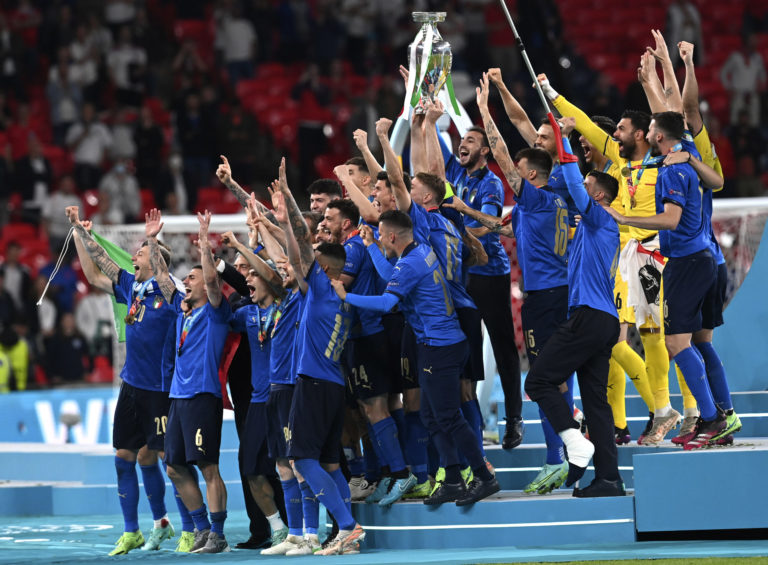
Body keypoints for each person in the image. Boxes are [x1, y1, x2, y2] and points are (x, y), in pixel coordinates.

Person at [542, 73, 682, 446]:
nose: (614, 136)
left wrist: (659, 77)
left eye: (621, 130)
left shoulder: (659, 164)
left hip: (650, 255)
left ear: (642, 135)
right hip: (620, 260)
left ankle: (667, 409)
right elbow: (585, 124)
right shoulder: (612, 169)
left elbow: (671, 122)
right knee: (614, 345)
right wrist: (553, 94)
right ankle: (623, 422)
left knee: (651, 336)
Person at [331, 209, 500, 507]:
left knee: (448, 417)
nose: (378, 238)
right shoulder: (418, 252)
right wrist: (371, 247)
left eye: (380, 236)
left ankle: (484, 477)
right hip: (438, 343)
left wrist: (347, 297)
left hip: (440, 347)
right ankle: (452, 480)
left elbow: (386, 302)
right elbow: (390, 277)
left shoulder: (410, 262)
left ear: (391, 236)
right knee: (432, 416)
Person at [606, 111, 740, 450]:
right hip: (702, 259)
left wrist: (624, 217)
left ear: (658, 136)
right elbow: (716, 181)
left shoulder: (670, 170)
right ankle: (718, 415)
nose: (647, 130)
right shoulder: (686, 156)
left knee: (677, 343)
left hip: (687, 262)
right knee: (695, 343)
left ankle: (711, 417)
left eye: (651, 127)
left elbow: (670, 219)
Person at [66, 206, 181, 554]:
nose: (134, 257)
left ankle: (193, 528)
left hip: (159, 389)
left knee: (169, 463)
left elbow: (162, 274)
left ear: (156, 260)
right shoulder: (133, 287)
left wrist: (152, 239)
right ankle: (136, 530)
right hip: (131, 385)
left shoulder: (169, 291)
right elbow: (98, 271)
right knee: (126, 456)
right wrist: (79, 233)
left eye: (140, 254)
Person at [524, 118, 624, 498]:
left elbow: (571, 179)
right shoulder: (591, 225)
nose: (579, 187)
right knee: (596, 404)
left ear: (598, 196)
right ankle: (609, 479)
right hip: (601, 320)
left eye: (586, 186)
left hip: (590, 317)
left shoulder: (601, 218)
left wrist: (563, 137)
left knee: (537, 381)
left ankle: (573, 441)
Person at [272, 188, 366, 556]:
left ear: (323, 269)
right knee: (331, 463)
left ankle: (348, 527)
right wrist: (283, 225)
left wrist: (287, 215)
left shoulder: (322, 289)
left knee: (302, 460)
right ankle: (347, 537)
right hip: (333, 385)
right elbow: (297, 257)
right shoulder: (343, 297)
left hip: (312, 384)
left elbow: (300, 251)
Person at [438, 85, 524, 450]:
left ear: (485, 150)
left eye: (471, 141)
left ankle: (514, 418)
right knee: (466, 350)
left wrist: (456, 228)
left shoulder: (491, 183)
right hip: (462, 275)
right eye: (462, 140)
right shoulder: (453, 172)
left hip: (490, 274)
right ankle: (470, 426)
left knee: (503, 346)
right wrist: (424, 110)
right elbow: (431, 145)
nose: (463, 144)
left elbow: (489, 225)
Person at [320, 197, 413, 506]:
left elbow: (336, 286)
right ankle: (389, 472)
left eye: (329, 218)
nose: (324, 223)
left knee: (375, 408)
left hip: (368, 335)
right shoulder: (351, 246)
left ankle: (400, 473)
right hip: (365, 334)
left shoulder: (353, 248)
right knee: (372, 407)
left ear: (346, 222)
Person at [149, 209, 232, 553]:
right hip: (178, 397)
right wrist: (152, 240)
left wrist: (204, 244)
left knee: (207, 466)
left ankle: (218, 535)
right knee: (174, 467)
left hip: (202, 395)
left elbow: (212, 281)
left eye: (192, 278)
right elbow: (162, 277)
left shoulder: (215, 311)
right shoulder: (182, 311)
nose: (186, 281)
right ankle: (201, 529)